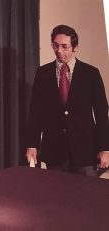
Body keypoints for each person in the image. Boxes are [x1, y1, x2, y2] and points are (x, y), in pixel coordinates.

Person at [25, 24, 109, 176]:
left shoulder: (91, 73)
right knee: (57, 197)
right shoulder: (43, 73)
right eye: (55, 45)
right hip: (55, 152)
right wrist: (32, 144)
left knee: (85, 196)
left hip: (85, 152)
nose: (59, 51)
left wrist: (105, 148)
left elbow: (102, 114)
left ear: (75, 47)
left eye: (65, 46)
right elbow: (35, 112)